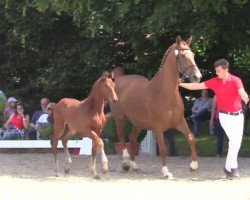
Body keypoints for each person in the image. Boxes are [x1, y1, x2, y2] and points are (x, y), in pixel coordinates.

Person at [179, 58, 249, 179]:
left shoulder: (235, 80)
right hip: (224, 116)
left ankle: (228, 167)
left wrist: (245, 96)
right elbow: (197, 86)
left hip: (238, 116)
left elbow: (241, 91)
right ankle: (233, 168)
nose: (216, 73)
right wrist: (180, 83)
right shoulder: (215, 81)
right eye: (216, 71)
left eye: (218, 71)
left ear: (226, 70)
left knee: (236, 143)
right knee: (234, 141)